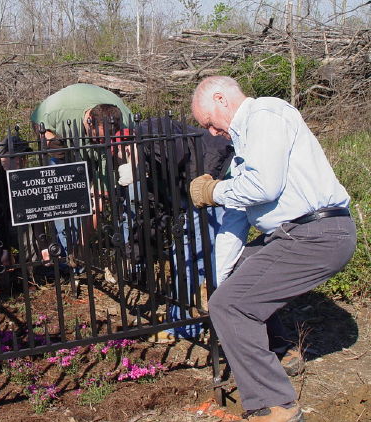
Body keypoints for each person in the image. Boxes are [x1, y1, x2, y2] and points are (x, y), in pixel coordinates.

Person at [189, 75, 355, 422]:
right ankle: (280, 351)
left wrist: (212, 192)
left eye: (209, 123)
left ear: (221, 99)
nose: (212, 133)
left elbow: (263, 187)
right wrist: (218, 279)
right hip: (296, 235)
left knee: (232, 306)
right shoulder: (241, 153)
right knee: (233, 284)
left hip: (319, 232)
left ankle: (274, 405)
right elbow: (235, 221)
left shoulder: (266, 114)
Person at [115, 117, 233, 341]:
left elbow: (182, 156)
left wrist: (142, 160)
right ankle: (211, 319)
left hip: (213, 184)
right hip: (204, 187)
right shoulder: (147, 151)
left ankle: (181, 325)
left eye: (124, 154)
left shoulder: (151, 133)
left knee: (192, 256)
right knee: (204, 255)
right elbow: (154, 207)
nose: (124, 159)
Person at [30, 83, 133, 262]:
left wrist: (83, 244)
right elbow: (36, 120)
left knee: (125, 194)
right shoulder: (59, 109)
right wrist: (48, 139)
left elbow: (99, 202)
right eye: (98, 137)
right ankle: (66, 257)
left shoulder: (124, 122)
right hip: (64, 148)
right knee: (62, 199)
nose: (100, 141)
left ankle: (120, 256)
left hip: (107, 155)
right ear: (89, 121)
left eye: (105, 139)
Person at [0, 135, 51, 289]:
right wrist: (6, 249)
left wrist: (43, 247)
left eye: (23, 156)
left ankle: (34, 277)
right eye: (14, 157)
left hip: (12, 222)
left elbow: (35, 212)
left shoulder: (28, 178)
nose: (20, 160)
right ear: (2, 158)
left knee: (31, 240)